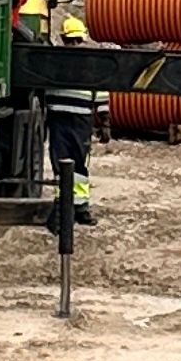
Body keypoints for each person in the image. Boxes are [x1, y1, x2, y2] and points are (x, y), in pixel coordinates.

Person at [46, 16, 110, 226]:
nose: (73, 45)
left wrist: (104, 122)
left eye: (76, 41)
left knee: (79, 166)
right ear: (64, 40)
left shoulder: (90, 64)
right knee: (61, 165)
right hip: (61, 120)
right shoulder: (55, 62)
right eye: (70, 41)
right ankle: (64, 208)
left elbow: (100, 94)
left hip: (79, 121)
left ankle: (80, 208)